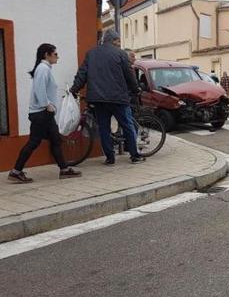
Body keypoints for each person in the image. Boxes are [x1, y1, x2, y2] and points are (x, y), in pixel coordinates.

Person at [8, 44, 82, 183]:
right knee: (34, 142)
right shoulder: (43, 69)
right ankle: (16, 171)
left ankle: (64, 169)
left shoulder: (45, 69)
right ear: (46, 55)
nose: (57, 56)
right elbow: (39, 88)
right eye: (55, 54)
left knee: (55, 140)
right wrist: (46, 104)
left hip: (44, 113)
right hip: (41, 113)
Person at [70, 29, 144, 165]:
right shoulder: (121, 54)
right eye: (118, 41)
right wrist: (136, 89)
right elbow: (130, 75)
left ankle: (110, 158)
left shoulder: (91, 54)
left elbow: (82, 74)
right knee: (127, 125)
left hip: (98, 99)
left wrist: (74, 89)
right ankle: (134, 156)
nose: (119, 44)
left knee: (104, 128)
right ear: (114, 40)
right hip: (118, 98)